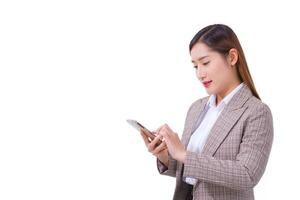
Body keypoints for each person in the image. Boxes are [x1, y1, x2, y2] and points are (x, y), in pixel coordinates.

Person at [140, 24, 273, 200]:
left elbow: (247, 174)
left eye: (205, 63)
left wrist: (184, 154)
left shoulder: (256, 112)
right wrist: (165, 156)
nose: (200, 74)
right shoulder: (197, 108)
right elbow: (190, 173)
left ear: (232, 57)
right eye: (195, 66)